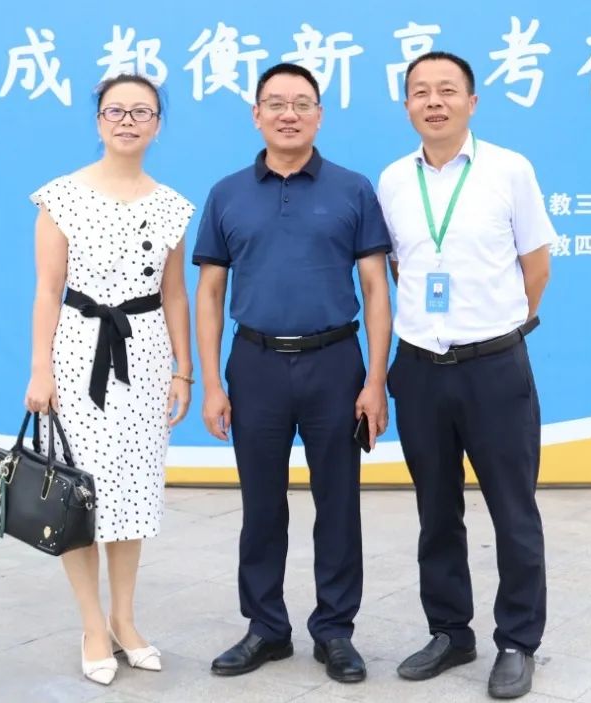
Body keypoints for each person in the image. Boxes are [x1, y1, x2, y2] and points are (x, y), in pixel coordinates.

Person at [194, 63, 392, 684]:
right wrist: (213, 383)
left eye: (302, 103)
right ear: (256, 115)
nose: (289, 114)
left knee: (339, 503)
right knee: (261, 505)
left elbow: (376, 288)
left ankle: (335, 630)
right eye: (276, 103)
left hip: (335, 363)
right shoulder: (227, 193)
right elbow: (210, 293)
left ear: (319, 116)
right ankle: (266, 627)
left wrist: (375, 380)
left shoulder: (353, 189)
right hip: (254, 364)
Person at [376, 51, 555, 699]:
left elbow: (536, 265)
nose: (435, 101)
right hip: (420, 369)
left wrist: (497, 327)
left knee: (513, 509)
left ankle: (517, 640)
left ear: (471, 102)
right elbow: (402, 267)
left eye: (447, 90)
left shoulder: (510, 170)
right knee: (436, 510)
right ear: (407, 106)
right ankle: (451, 632)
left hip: (494, 368)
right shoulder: (393, 180)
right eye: (421, 91)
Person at [24, 73, 195, 686]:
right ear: (99, 120)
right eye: (116, 111)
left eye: (141, 112)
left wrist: (183, 369)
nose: (127, 121)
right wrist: (40, 369)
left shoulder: (172, 206)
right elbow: (48, 290)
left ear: (157, 124)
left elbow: (175, 294)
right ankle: (92, 624)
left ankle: (125, 619)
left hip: (145, 358)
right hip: (76, 355)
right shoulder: (61, 197)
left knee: (132, 493)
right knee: (78, 492)